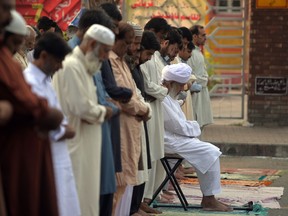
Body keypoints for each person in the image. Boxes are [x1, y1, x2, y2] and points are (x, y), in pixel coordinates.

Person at [0, 3, 64, 216]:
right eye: (5, 9)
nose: (9, 16)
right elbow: (23, 101)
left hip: (26, 147)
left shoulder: (8, 59)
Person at [52, 24, 115, 216]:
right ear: (92, 44)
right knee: (76, 203)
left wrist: (98, 111)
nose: (105, 57)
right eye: (104, 51)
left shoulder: (86, 68)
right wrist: (104, 111)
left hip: (87, 146)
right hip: (75, 147)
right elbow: (83, 109)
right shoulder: (71, 66)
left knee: (87, 203)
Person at [161, 63, 233, 212]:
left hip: (176, 138)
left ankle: (209, 197)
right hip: (168, 140)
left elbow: (179, 125)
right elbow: (178, 126)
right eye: (181, 85)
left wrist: (191, 126)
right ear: (172, 83)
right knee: (211, 152)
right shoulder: (164, 98)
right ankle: (209, 199)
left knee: (210, 152)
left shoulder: (170, 97)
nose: (182, 88)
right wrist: (194, 127)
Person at [23, 32, 81, 216]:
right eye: (58, 61)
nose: (60, 66)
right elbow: (35, 122)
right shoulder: (28, 82)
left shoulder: (46, 81)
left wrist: (63, 128)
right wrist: (62, 131)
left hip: (58, 155)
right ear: (44, 56)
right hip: (41, 154)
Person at [109, 22, 151, 216]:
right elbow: (124, 98)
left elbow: (132, 93)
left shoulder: (121, 61)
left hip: (131, 128)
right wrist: (144, 109)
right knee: (118, 186)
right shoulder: (110, 61)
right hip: (120, 129)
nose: (132, 48)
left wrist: (142, 109)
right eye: (129, 43)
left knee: (125, 184)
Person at [126, 30, 161, 216]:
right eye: (144, 52)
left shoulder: (134, 65)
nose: (135, 49)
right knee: (135, 166)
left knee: (144, 164)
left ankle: (137, 204)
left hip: (142, 116)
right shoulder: (125, 65)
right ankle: (132, 208)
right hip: (133, 118)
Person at [188, 25, 213, 128]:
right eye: (202, 35)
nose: (205, 38)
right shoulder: (190, 54)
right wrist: (206, 80)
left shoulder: (198, 52)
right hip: (195, 94)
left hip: (202, 93)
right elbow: (190, 76)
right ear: (194, 36)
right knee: (195, 125)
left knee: (200, 126)